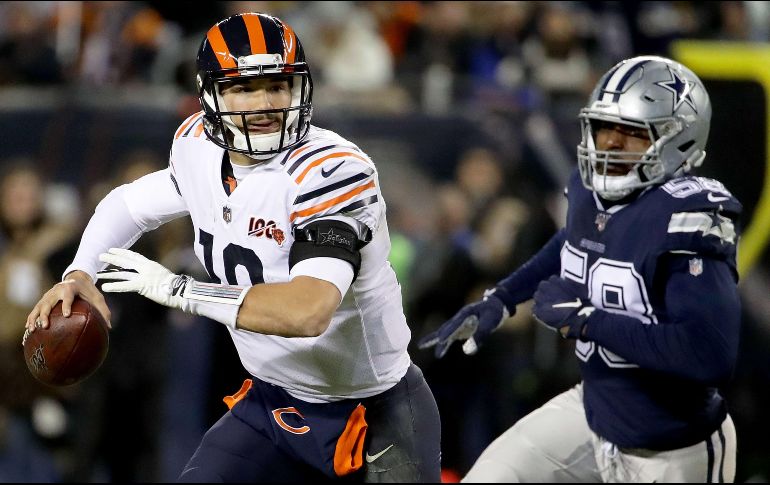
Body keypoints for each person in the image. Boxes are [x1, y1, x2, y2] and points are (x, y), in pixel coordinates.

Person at [25, 12, 441, 483]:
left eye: (277, 85)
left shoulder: (332, 172)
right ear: (210, 94)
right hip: (269, 406)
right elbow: (129, 205)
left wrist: (182, 290)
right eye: (243, 88)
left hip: (372, 415)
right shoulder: (199, 148)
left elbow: (308, 311)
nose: (263, 103)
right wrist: (80, 273)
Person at [419, 55, 741, 483]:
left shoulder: (686, 217)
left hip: (672, 446)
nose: (608, 143)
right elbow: (570, 242)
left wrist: (587, 319)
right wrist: (502, 299)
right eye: (604, 127)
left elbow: (708, 356)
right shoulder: (590, 194)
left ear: (677, 140)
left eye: (630, 133)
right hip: (594, 410)